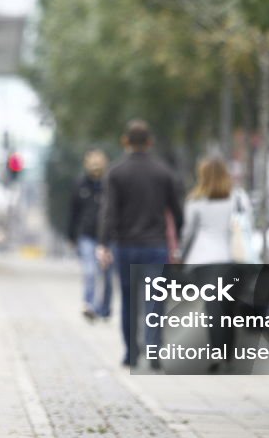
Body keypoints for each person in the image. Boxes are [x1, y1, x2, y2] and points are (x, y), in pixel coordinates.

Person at [97, 120, 183, 368]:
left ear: (125, 142)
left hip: (125, 246)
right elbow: (176, 212)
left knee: (128, 299)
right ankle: (154, 352)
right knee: (155, 300)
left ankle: (131, 353)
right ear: (150, 142)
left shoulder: (116, 173)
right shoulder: (163, 173)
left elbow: (109, 212)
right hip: (156, 246)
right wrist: (177, 242)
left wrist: (104, 243)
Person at [180, 157, 250, 368]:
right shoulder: (238, 197)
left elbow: (188, 232)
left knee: (214, 308)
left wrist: (180, 255)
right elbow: (247, 226)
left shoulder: (195, 200)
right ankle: (227, 353)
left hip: (203, 259)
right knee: (229, 307)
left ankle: (219, 354)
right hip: (233, 259)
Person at [68, 149, 112, 321]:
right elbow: (73, 211)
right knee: (90, 270)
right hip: (87, 235)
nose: (95, 167)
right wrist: (71, 236)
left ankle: (105, 308)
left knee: (107, 274)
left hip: (108, 236)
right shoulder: (80, 184)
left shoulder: (110, 184)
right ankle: (89, 304)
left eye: (98, 163)